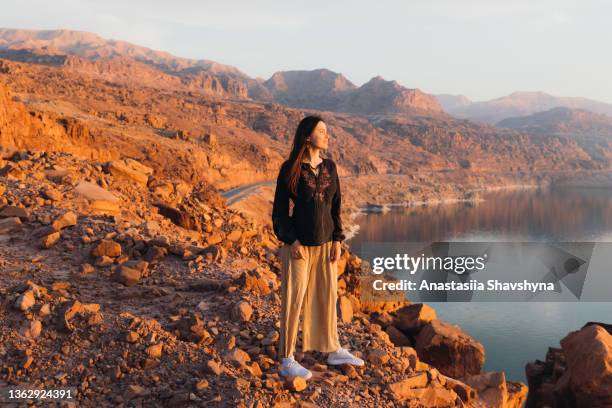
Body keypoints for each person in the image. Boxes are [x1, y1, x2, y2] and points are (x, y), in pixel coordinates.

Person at [272, 115, 365, 380]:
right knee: (294, 300)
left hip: (326, 246)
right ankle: (287, 359)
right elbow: (279, 213)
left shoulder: (330, 168)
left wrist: (337, 239)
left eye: (326, 131)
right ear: (307, 136)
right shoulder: (290, 169)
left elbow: (335, 206)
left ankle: (332, 349)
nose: (327, 136)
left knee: (326, 298)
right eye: (321, 131)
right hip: (299, 247)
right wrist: (291, 240)